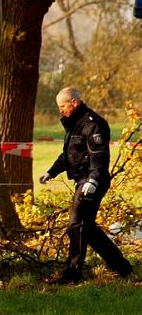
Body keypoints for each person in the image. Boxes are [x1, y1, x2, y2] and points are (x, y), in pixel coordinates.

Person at [39, 87, 132, 285]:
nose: (60, 110)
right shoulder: (74, 124)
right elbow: (69, 155)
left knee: (76, 225)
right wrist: (51, 171)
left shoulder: (93, 124)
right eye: (58, 107)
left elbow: (99, 156)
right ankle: (122, 268)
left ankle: (73, 274)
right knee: (87, 229)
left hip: (91, 181)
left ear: (74, 102)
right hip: (83, 180)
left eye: (63, 106)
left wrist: (93, 180)